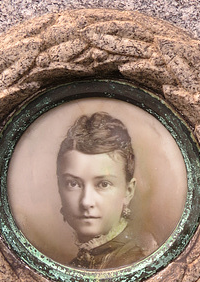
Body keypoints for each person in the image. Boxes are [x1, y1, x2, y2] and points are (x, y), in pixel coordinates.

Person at [56, 112, 157, 269]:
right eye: (73, 184)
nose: (86, 202)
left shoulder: (139, 260)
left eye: (103, 184)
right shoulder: (81, 261)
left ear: (128, 191)